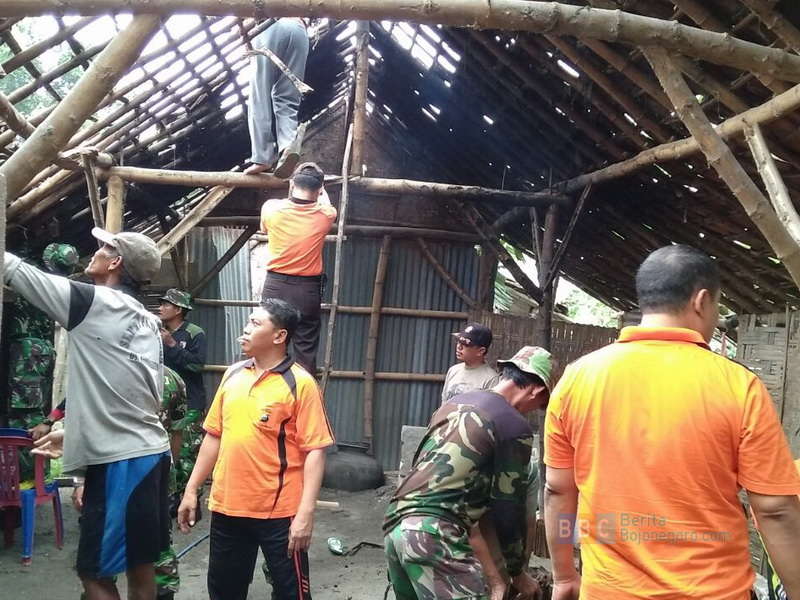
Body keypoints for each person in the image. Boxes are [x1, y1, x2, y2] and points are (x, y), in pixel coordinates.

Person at [544, 244, 800, 600]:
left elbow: (558, 490)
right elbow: (774, 509)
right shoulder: (739, 386)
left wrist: (563, 577)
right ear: (701, 300)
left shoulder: (577, 378)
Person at [4, 228, 170, 600]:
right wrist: (73, 430)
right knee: (140, 565)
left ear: (116, 263)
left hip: (122, 462)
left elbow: (14, 269)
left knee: (93, 573)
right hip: (150, 454)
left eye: (105, 246)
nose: (95, 250)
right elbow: (132, 393)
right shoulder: (145, 320)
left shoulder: (95, 303)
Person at [177, 297, 334, 600]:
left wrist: (305, 513)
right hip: (227, 506)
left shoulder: (300, 384)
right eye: (248, 321)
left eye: (255, 323)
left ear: (279, 336)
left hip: (280, 512)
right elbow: (214, 436)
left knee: (292, 594)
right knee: (224, 592)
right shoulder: (233, 374)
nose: (245, 330)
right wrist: (191, 489)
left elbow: (316, 450)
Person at [384, 346, 553, 600]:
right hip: (435, 535)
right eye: (539, 405)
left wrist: (496, 581)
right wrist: (518, 572)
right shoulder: (514, 426)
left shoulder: (451, 405)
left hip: (396, 528)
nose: (533, 411)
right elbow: (507, 508)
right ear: (537, 390)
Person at [260, 162, 336, 374]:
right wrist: (321, 188)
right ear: (320, 189)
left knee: (268, 342)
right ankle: (301, 398)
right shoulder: (326, 215)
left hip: (275, 285)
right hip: (307, 291)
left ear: (292, 183)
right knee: (305, 350)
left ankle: (263, 393)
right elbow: (324, 201)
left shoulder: (271, 208)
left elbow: (263, 229)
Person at [158, 288, 208, 506]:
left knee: (187, 454)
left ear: (178, 309)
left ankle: (190, 499)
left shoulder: (194, 333)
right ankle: (170, 497)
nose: (160, 308)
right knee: (167, 453)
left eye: (165, 304)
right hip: (165, 404)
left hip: (190, 403)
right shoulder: (157, 332)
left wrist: (171, 345)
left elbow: (197, 365)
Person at [245, 17, 309, 177]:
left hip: (270, 25)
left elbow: (246, 22)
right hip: (300, 30)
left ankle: (262, 157)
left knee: (259, 95)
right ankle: (288, 146)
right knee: (287, 98)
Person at [441, 323, 499, 404]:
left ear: (481, 351)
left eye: (465, 344)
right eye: (458, 341)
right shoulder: (453, 371)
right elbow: (444, 404)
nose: (459, 347)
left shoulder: (491, 380)